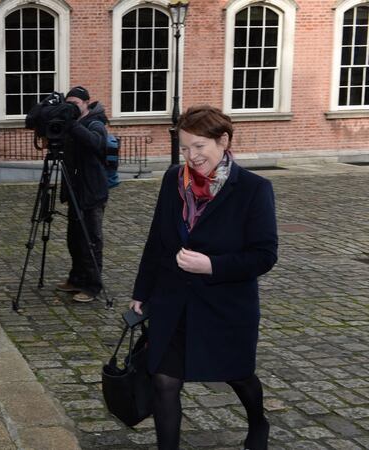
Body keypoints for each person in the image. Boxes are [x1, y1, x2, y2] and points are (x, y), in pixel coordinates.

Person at [129, 105, 278, 450]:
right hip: (172, 300)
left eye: (199, 146)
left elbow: (264, 255)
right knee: (164, 379)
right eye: (184, 147)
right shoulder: (172, 180)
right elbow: (156, 241)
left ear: (223, 141)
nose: (191, 156)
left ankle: (258, 422)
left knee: (238, 375)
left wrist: (212, 266)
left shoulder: (254, 189)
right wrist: (142, 291)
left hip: (225, 304)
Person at [54, 86, 110, 303]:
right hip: (75, 191)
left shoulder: (96, 122)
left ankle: (92, 286)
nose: (73, 108)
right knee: (74, 239)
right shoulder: (72, 124)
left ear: (86, 104)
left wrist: (71, 125)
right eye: (69, 103)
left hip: (92, 192)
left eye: (76, 103)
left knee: (91, 241)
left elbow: (96, 143)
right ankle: (76, 279)